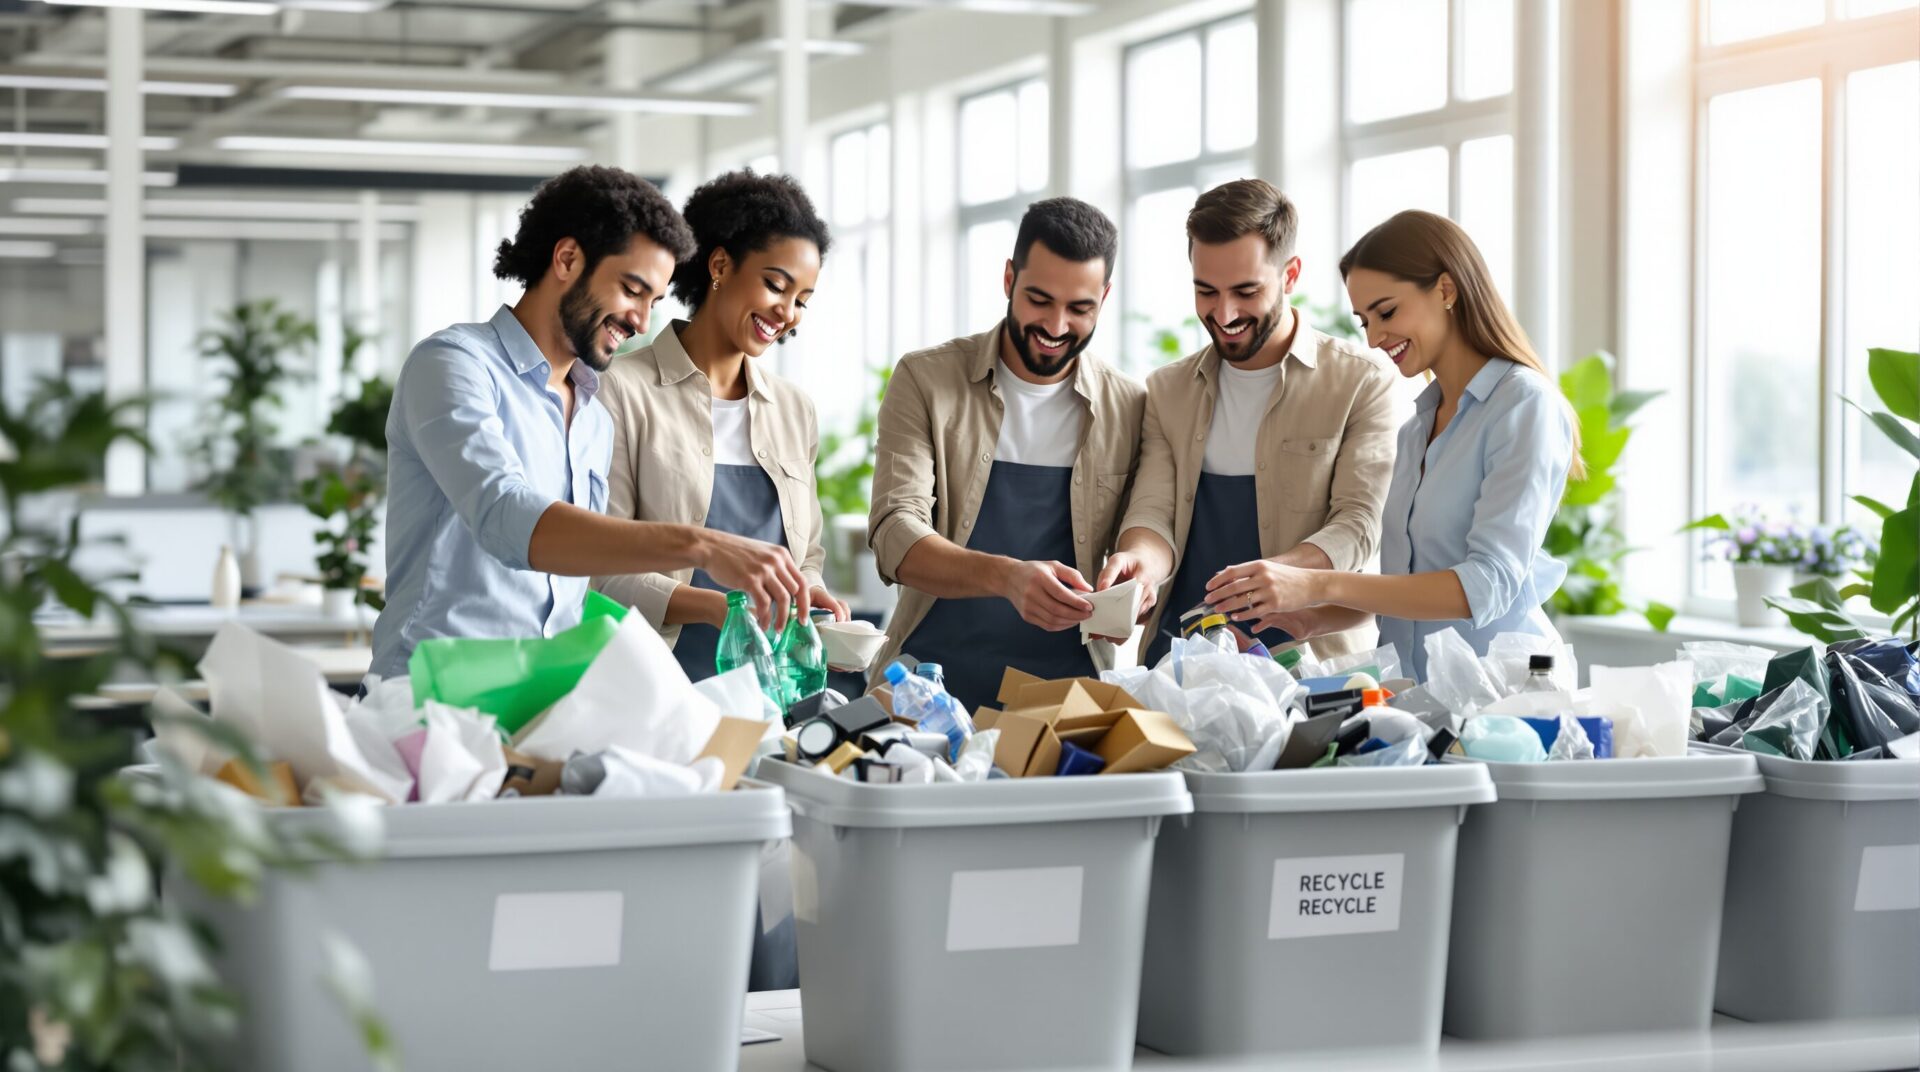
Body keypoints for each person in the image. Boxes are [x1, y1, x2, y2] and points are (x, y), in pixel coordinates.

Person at [371, 165, 806, 681]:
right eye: (631, 289)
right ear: (567, 259)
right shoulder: (453, 364)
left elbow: (586, 583)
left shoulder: (592, 416)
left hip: (540, 698)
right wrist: (704, 545)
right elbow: (506, 516)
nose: (641, 321)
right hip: (429, 697)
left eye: (653, 301)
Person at [1203, 209, 1579, 682]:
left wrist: (1316, 583)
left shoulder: (1523, 405)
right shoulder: (1417, 426)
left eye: (1386, 312)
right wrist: (1313, 617)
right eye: (1364, 321)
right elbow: (1410, 580)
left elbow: (1487, 584)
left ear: (1446, 290)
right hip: (1415, 691)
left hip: (1504, 691)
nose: (1375, 338)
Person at [1095, 179, 1400, 666]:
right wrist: (1141, 565)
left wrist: (1277, 575)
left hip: (1308, 669)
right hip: (1177, 666)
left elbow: (1360, 524)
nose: (1224, 313)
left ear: (1290, 275)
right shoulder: (1168, 390)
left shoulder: (1361, 381)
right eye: (1206, 291)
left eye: (1246, 291)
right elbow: (1154, 511)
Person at [867, 198, 1146, 713]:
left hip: (1067, 700)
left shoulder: (1128, 405)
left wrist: (1139, 581)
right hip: (923, 689)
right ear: (1009, 279)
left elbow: (1148, 526)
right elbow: (893, 532)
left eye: (1080, 308)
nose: (1056, 325)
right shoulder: (925, 380)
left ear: (1104, 298)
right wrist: (1007, 577)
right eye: (1039, 299)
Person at [593, 169, 850, 682]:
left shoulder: (794, 410)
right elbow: (601, 570)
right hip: (657, 684)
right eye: (776, 285)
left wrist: (811, 589)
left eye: (802, 300)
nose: (788, 313)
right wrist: (721, 610)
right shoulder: (619, 390)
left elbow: (807, 554)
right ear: (719, 265)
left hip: (774, 686)